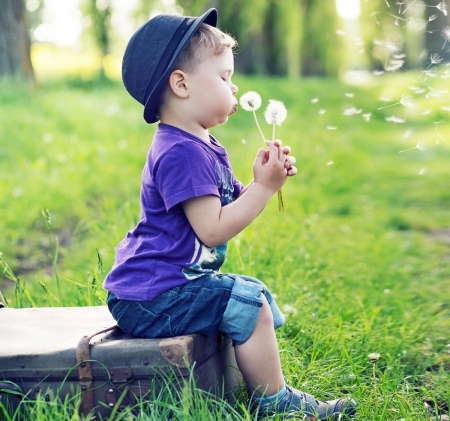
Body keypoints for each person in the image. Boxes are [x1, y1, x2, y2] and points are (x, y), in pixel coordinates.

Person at [103, 8, 357, 420]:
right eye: (223, 77)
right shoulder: (180, 152)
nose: (233, 85)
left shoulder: (200, 142)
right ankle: (275, 403)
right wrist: (264, 188)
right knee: (246, 300)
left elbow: (229, 202)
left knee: (247, 296)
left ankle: (264, 388)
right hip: (148, 296)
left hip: (163, 288)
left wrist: (261, 178)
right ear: (181, 84)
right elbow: (214, 229)